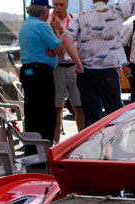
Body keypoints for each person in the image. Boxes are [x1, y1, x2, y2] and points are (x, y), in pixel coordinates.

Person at [63, 0, 135, 126]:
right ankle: (114, 143)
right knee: (114, 114)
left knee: (91, 117)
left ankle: (93, 144)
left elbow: (66, 39)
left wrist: (79, 64)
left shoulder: (81, 16)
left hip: (86, 72)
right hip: (108, 70)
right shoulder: (117, 10)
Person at [19, 0, 65, 150]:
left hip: (29, 71)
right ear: (44, 11)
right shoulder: (42, 26)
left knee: (33, 113)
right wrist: (57, 30)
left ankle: (33, 151)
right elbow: (60, 50)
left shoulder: (26, 25)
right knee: (46, 114)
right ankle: (44, 151)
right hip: (41, 73)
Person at [48, 0, 85, 142]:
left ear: (67, 4)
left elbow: (78, 43)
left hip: (73, 67)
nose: (58, 8)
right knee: (57, 109)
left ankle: (82, 142)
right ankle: (56, 144)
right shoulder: (47, 22)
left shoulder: (75, 20)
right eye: (56, 4)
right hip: (56, 69)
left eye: (61, 4)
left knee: (79, 107)